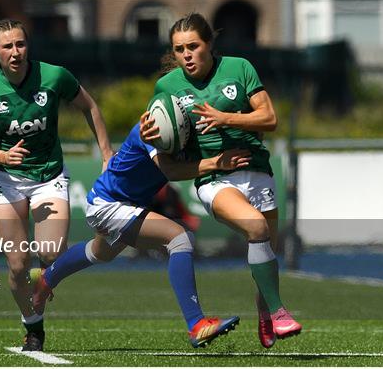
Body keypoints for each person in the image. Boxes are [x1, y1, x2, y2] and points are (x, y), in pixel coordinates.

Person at [141, 13, 302, 349]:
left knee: (265, 251)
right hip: (213, 177)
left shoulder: (239, 67)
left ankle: (264, 311)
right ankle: (280, 311)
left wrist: (225, 117)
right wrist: (150, 134)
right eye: (179, 49)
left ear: (209, 45)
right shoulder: (167, 86)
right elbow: (160, 138)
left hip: (256, 169)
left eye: (193, 47)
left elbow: (269, 118)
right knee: (256, 228)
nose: (186, 54)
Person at [30, 112, 251, 348]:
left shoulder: (186, 129)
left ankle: (46, 280)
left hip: (114, 202)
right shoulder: (150, 127)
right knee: (179, 239)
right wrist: (217, 162)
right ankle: (196, 324)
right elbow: (171, 171)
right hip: (109, 204)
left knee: (100, 253)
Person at [0, 19, 113, 351]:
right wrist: (3, 158)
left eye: (20, 44)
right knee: (18, 265)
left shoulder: (54, 76)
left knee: (50, 254)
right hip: (4, 180)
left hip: (48, 176)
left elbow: (90, 106)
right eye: (7, 46)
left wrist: (107, 153)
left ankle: (45, 280)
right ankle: (33, 328)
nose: (15, 52)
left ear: (28, 46)